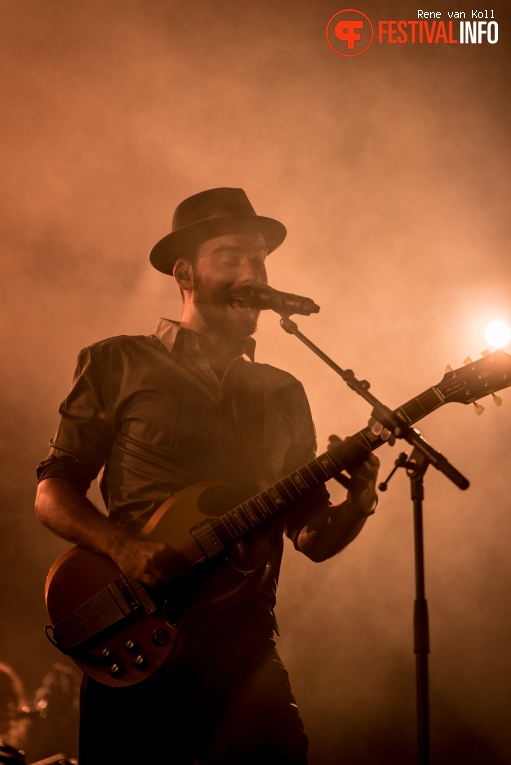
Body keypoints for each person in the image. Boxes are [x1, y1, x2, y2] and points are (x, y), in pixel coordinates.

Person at [35, 187, 381, 765]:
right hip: (138, 634)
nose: (252, 273)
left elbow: (312, 538)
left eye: (260, 260)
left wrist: (362, 499)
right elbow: (52, 493)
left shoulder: (283, 391)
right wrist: (123, 547)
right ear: (184, 273)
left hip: (245, 651)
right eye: (230, 259)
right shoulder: (116, 361)